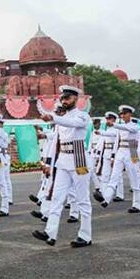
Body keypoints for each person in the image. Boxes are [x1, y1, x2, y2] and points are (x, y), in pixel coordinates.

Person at [33, 85, 92, 248]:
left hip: (79, 158)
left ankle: (85, 236)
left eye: (68, 98)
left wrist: (53, 117)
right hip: (64, 160)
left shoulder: (82, 116)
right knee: (57, 198)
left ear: (76, 99)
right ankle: (50, 233)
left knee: (83, 200)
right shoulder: (60, 120)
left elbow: (72, 123)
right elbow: (55, 145)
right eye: (62, 98)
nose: (64, 101)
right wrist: (48, 164)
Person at [94, 106, 140, 212]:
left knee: (134, 179)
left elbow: (130, 129)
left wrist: (115, 125)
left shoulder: (135, 126)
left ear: (130, 114)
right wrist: (113, 155)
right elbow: (114, 138)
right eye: (122, 114)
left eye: (125, 113)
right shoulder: (119, 128)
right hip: (121, 151)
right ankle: (106, 199)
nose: (123, 116)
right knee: (114, 176)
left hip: (132, 150)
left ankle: (137, 205)